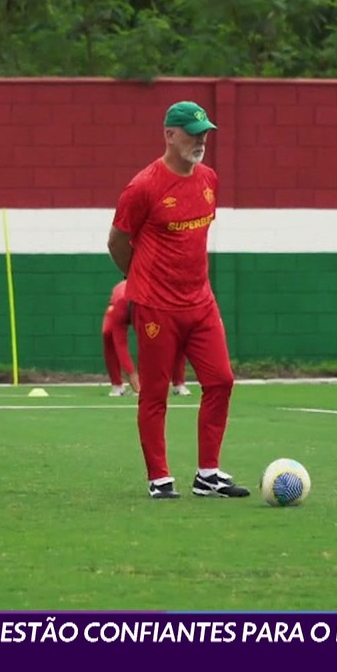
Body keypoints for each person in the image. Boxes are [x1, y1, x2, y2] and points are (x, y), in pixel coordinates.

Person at [106, 100, 247, 500]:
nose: (201, 139)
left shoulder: (209, 180)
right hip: (156, 307)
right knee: (155, 392)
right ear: (170, 134)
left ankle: (208, 474)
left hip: (201, 302)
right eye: (192, 131)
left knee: (221, 380)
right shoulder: (143, 187)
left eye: (204, 132)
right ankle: (160, 478)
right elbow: (117, 241)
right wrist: (140, 278)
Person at [102, 279, 193, 398]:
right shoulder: (120, 306)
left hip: (149, 310)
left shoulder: (155, 304)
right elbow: (120, 345)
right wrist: (131, 373)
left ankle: (179, 383)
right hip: (118, 307)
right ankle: (117, 386)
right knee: (107, 334)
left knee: (176, 337)